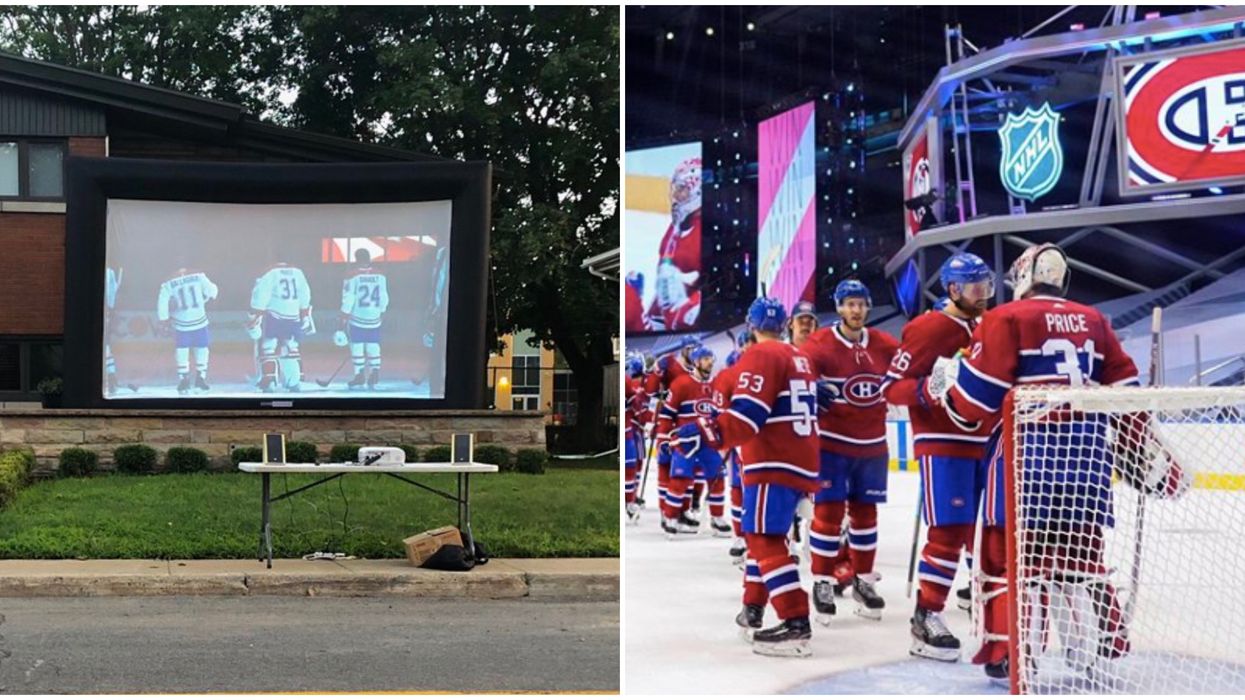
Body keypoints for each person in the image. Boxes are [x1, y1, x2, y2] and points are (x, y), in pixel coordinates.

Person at [940, 243, 1187, 681]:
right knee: (1081, 554)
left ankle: (1012, 653)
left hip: (1027, 455)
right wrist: (1136, 444)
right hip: (1086, 457)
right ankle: (1095, 645)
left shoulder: (1006, 318)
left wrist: (947, 391)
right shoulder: (1094, 319)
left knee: (1009, 559)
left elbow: (976, 400)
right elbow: (1128, 396)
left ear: (1023, 276)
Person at [673, 297, 819, 657]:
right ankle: (753, 606)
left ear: (750, 327)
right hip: (800, 458)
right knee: (764, 537)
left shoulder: (760, 356)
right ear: (784, 324)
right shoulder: (799, 357)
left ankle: (795, 620)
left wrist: (705, 432)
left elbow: (747, 415)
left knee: (763, 538)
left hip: (772, 460)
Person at [881, 252, 994, 662]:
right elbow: (891, 387)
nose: (983, 295)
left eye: (987, 286)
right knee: (948, 531)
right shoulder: (928, 327)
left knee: (990, 531)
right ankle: (926, 615)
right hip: (945, 444)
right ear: (953, 289)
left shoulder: (987, 326)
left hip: (987, 443)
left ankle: (985, 601)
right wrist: (929, 388)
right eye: (975, 288)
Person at [802, 279, 899, 623]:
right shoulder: (819, 344)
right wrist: (809, 387)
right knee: (828, 515)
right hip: (831, 446)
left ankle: (863, 580)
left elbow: (911, 371)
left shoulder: (885, 344)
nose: (856, 310)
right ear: (839, 307)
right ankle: (823, 581)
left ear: (868, 306)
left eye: (860, 303)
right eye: (849, 304)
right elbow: (798, 375)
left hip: (872, 446)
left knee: (866, 515)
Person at [658, 345, 722, 536]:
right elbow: (667, 414)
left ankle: (717, 518)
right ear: (696, 361)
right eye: (705, 359)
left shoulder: (717, 385)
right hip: (686, 441)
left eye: (711, 359)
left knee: (717, 478)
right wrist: (663, 439)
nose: (709, 362)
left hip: (709, 442)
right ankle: (671, 517)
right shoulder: (681, 384)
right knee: (680, 479)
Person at [644, 335, 700, 510]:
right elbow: (650, 391)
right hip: (668, 420)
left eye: (696, 349)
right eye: (691, 349)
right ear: (684, 349)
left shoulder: (699, 370)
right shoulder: (670, 363)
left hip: (688, 423)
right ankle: (665, 509)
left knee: (689, 466)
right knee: (665, 462)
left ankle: (685, 508)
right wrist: (657, 372)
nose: (694, 353)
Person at [647, 158, 702, 331]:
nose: (676, 196)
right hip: (671, 309)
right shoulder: (678, 226)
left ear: (698, 191)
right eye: (676, 189)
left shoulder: (706, 232)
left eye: (682, 189)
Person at [248, 262, 313, 392]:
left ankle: (269, 380)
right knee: (291, 347)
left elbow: (261, 294)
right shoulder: (298, 272)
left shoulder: (270, 273)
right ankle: (294, 381)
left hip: (274, 315)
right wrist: (304, 313)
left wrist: (256, 314)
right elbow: (305, 293)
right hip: (293, 315)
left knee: (268, 347)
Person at [156, 265, 219, 394]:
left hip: (181, 323)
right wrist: (206, 298)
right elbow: (213, 292)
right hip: (199, 319)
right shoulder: (199, 276)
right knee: (202, 349)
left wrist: (164, 320)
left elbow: (162, 303)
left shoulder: (168, 283)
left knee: (182, 350)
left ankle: (184, 379)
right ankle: (200, 378)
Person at [339, 249, 390, 390]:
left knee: (357, 346)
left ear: (356, 259)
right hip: (374, 316)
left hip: (358, 316)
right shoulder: (380, 275)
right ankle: (375, 371)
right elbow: (384, 295)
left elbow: (349, 297)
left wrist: (344, 314)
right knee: (373, 345)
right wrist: (382, 310)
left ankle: (359, 374)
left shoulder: (352, 275)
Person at [624, 352, 650, 524]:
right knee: (632, 464)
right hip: (631, 429)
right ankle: (630, 499)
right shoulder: (632, 384)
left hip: (633, 429)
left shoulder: (632, 383)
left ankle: (631, 498)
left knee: (634, 463)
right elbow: (638, 408)